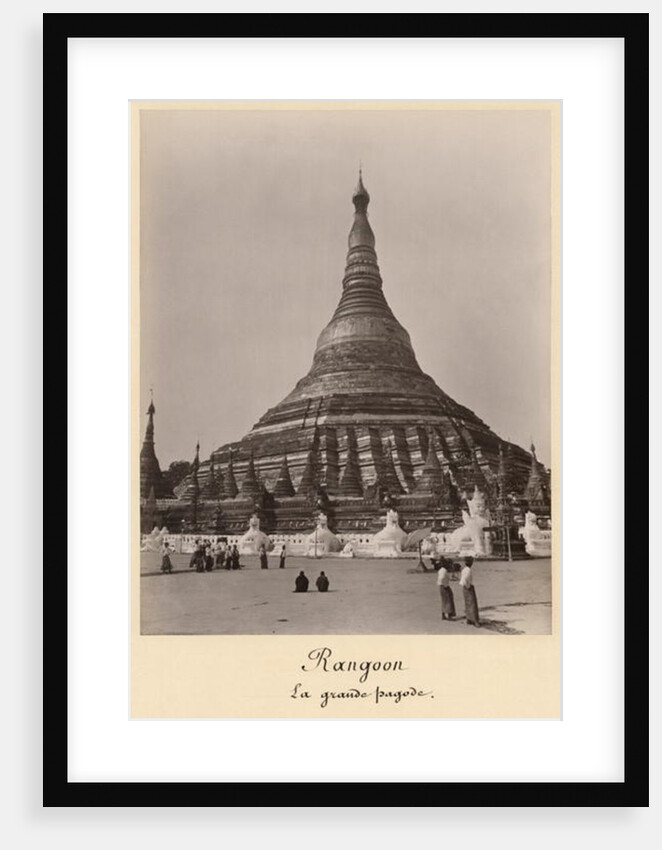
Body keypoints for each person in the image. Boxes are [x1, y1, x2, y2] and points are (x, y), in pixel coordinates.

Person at [459, 556, 480, 627]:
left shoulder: (464, 569)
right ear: (470, 563)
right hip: (468, 587)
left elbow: (462, 579)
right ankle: (475, 620)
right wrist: (468, 586)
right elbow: (465, 579)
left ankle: (469, 618)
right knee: (472, 603)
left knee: (467, 603)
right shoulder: (468, 570)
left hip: (464, 587)